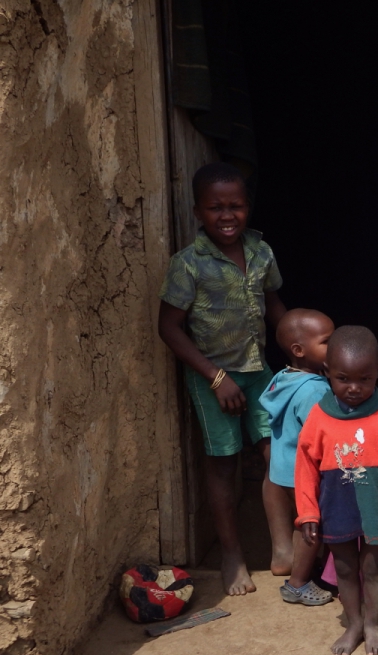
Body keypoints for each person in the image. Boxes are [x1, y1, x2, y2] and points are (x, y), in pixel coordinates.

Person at [158, 162, 286, 596]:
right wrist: (216, 379)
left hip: (258, 371)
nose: (227, 216)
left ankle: (282, 544)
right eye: (216, 208)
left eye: (236, 206)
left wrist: (301, 348)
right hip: (213, 378)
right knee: (223, 464)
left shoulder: (261, 252)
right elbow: (169, 327)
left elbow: (273, 303)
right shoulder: (188, 264)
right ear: (198, 212)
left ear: (248, 207)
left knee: (278, 452)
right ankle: (232, 554)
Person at [295, 326, 378, 655]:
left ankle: (372, 623)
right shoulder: (319, 416)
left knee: (373, 568)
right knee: (345, 568)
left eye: (365, 379)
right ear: (327, 372)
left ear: (377, 373)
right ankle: (354, 624)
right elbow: (305, 469)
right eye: (343, 379)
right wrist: (308, 512)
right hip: (336, 507)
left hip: (376, 509)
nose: (354, 388)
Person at [259, 309, 336, 606]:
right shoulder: (315, 390)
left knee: (301, 522)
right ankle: (298, 584)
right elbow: (323, 436)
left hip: (282, 468)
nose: (335, 346)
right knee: (313, 525)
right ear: (299, 350)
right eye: (327, 342)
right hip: (305, 473)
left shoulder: (284, 378)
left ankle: (298, 567)